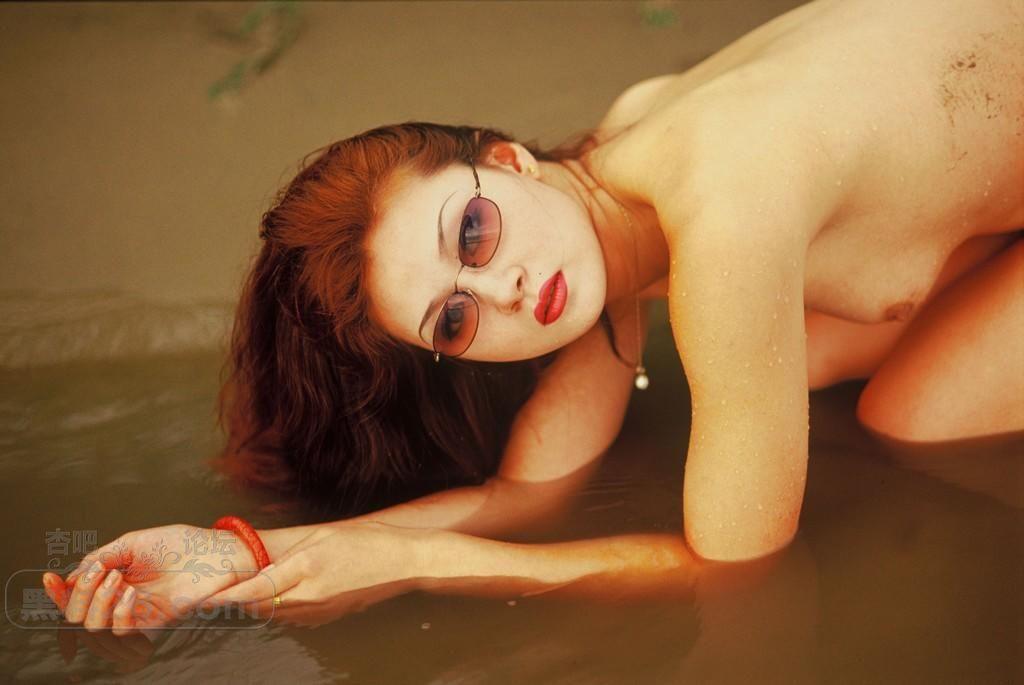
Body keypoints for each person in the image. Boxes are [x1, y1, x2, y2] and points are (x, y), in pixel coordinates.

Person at [43, 0, 1022, 636]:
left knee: (906, 416)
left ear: (508, 159)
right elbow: (525, 490)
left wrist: (415, 562)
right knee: (798, 357)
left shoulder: (725, 216)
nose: (503, 289)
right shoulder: (614, 178)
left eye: (472, 232)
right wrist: (237, 555)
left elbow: (735, 568)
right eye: (453, 319)